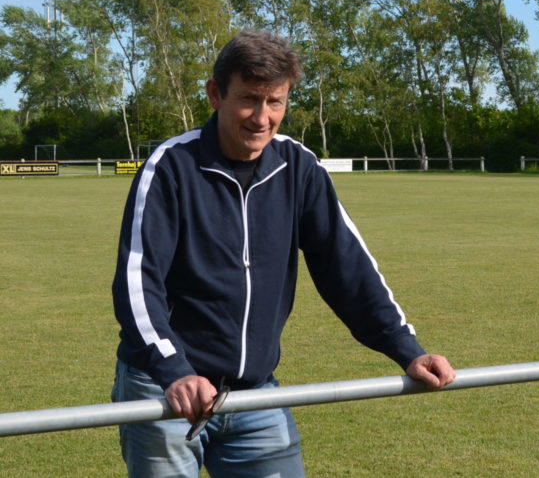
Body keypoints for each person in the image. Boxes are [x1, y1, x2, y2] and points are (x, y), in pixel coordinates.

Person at [111, 30, 455, 477]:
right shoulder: (171, 165)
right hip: (167, 388)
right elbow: (138, 283)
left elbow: (346, 267)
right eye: (250, 99)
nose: (262, 117)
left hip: (255, 393)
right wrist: (173, 368)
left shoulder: (299, 167)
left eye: (276, 102)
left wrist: (406, 349)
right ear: (216, 94)